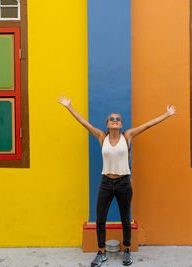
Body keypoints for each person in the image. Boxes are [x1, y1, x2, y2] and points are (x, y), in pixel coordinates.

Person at [57, 95, 176, 266]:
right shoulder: (101, 137)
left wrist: (167, 114)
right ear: (107, 124)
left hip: (124, 183)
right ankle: (101, 252)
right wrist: (69, 106)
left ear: (121, 124)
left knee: (125, 218)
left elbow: (147, 125)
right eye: (111, 119)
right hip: (106, 182)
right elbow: (84, 123)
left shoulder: (127, 136)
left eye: (117, 119)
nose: (114, 121)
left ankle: (127, 250)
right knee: (100, 219)